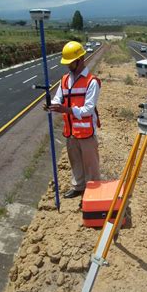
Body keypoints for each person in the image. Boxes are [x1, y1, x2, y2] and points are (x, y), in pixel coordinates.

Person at [46, 41, 101, 199]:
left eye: (70, 62)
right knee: (75, 162)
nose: (68, 66)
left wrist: (66, 110)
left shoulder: (92, 81)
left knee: (91, 165)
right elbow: (58, 99)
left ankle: (93, 192)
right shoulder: (64, 80)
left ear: (81, 59)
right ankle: (79, 187)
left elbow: (88, 109)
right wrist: (52, 106)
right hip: (71, 131)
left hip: (87, 132)